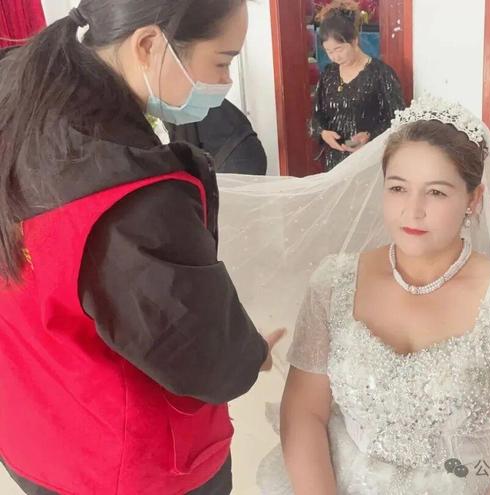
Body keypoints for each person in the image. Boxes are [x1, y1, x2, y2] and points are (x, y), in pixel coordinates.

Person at [244, 97, 490, 494]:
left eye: (436, 192)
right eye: (398, 188)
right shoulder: (333, 283)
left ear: (473, 200)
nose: (413, 210)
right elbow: (304, 412)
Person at [0, 1, 283, 494]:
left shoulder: (20, 98)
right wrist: (249, 353)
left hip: (29, 421)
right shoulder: (130, 197)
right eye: (222, 62)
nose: (226, 82)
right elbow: (202, 352)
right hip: (124, 465)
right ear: (150, 45)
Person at [311, 0, 405, 171]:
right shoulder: (329, 74)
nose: (335, 57)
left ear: (354, 40)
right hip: (335, 163)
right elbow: (317, 115)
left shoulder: (380, 73)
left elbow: (398, 119)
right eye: (329, 52)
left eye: (339, 49)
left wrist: (370, 136)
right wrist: (323, 133)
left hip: (369, 161)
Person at [168, 99, 268, 175]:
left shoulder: (173, 103)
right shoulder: (193, 93)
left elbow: (184, 152)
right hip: (250, 145)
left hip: (232, 155)